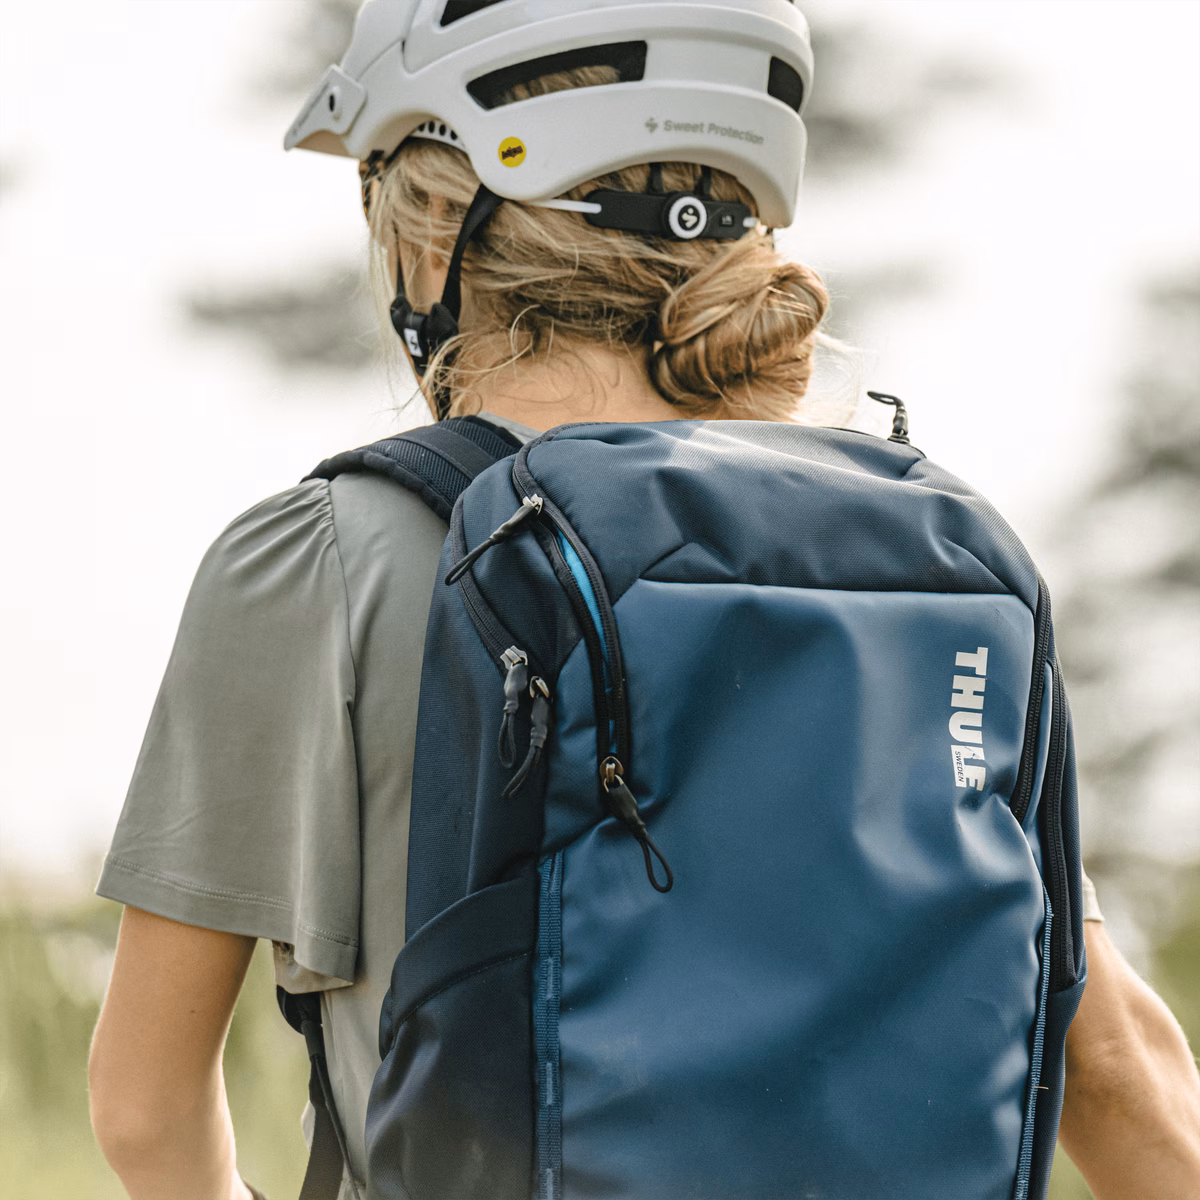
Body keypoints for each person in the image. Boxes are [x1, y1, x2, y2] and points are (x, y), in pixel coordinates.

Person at [88, 3, 1200, 1199]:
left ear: (429, 235)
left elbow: (146, 1110)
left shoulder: (324, 554)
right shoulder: (911, 562)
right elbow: (1117, 1069)